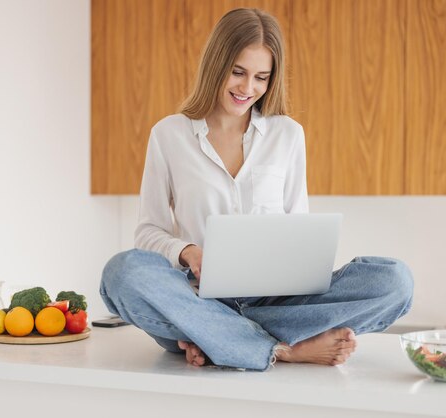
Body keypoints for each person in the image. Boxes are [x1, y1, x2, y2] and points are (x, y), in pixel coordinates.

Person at [99, 8, 413, 371]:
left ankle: (222, 340)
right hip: (195, 298)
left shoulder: (288, 134)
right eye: (238, 72)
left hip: (274, 302)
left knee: (394, 280)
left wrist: (298, 267)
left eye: (261, 77)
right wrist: (188, 252)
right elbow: (148, 232)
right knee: (121, 273)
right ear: (216, 64)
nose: (248, 89)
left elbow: (300, 227)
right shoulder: (169, 134)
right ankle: (284, 349)